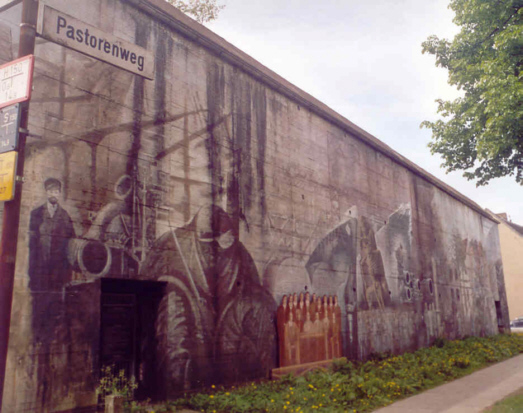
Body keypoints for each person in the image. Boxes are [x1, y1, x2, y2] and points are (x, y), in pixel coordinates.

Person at [140, 205, 276, 394]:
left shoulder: (241, 258)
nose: (214, 256)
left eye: (221, 248)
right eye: (208, 247)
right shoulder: (170, 256)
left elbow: (259, 314)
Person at [28, 178, 75, 292]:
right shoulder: (36, 213)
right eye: (50, 191)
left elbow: (71, 243)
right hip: (40, 268)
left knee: (56, 301)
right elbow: (32, 245)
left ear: (59, 194)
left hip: (58, 269)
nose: (53, 194)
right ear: (46, 192)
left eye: (56, 191)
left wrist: (67, 271)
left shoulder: (65, 216)